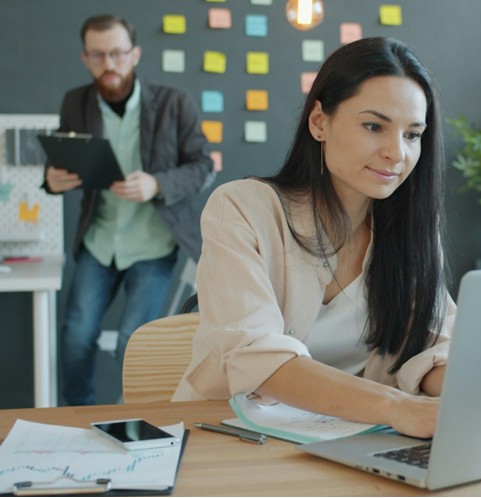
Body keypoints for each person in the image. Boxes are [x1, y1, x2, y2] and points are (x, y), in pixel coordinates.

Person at [173, 37, 455, 438]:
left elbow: (431, 348)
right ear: (319, 122)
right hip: (230, 439)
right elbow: (258, 360)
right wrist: (399, 408)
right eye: (374, 126)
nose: (397, 152)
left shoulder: (412, 234)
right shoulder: (241, 209)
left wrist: (475, 390)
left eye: (413, 134)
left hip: (351, 443)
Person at [43, 14, 215, 406]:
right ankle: (78, 420)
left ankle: (134, 425)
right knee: (75, 337)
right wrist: (51, 180)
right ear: (86, 58)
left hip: (154, 243)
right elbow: (63, 161)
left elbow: (203, 166)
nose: (110, 64)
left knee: (133, 345)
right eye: (99, 55)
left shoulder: (174, 103)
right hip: (99, 239)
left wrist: (157, 183)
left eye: (118, 53)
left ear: (134, 53)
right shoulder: (75, 102)